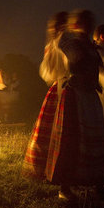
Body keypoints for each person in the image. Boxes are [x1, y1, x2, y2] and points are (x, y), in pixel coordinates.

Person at [56, 10, 104, 199]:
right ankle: (65, 187)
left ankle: (96, 182)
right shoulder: (70, 43)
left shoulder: (90, 46)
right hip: (76, 95)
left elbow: (99, 68)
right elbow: (73, 59)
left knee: (95, 139)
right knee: (74, 140)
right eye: (83, 21)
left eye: (90, 21)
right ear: (75, 25)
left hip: (90, 95)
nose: (87, 25)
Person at [22, 12, 71, 193]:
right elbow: (48, 72)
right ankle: (51, 171)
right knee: (57, 133)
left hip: (60, 88)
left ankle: (50, 171)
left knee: (53, 133)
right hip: (63, 88)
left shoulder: (56, 44)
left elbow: (46, 73)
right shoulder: (59, 44)